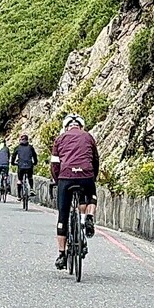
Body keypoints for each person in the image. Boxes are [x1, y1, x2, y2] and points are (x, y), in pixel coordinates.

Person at [50, 113, 99, 270]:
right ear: (81, 126)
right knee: (91, 197)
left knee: (63, 216)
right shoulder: (88, 137)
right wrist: (93, 177)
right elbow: (95, 160)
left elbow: (55, 165)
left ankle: (62, 254)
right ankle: (89, 217)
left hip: (66, 177)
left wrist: (58, 181)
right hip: (86, 175)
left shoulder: (60, 139)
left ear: (65, 127)